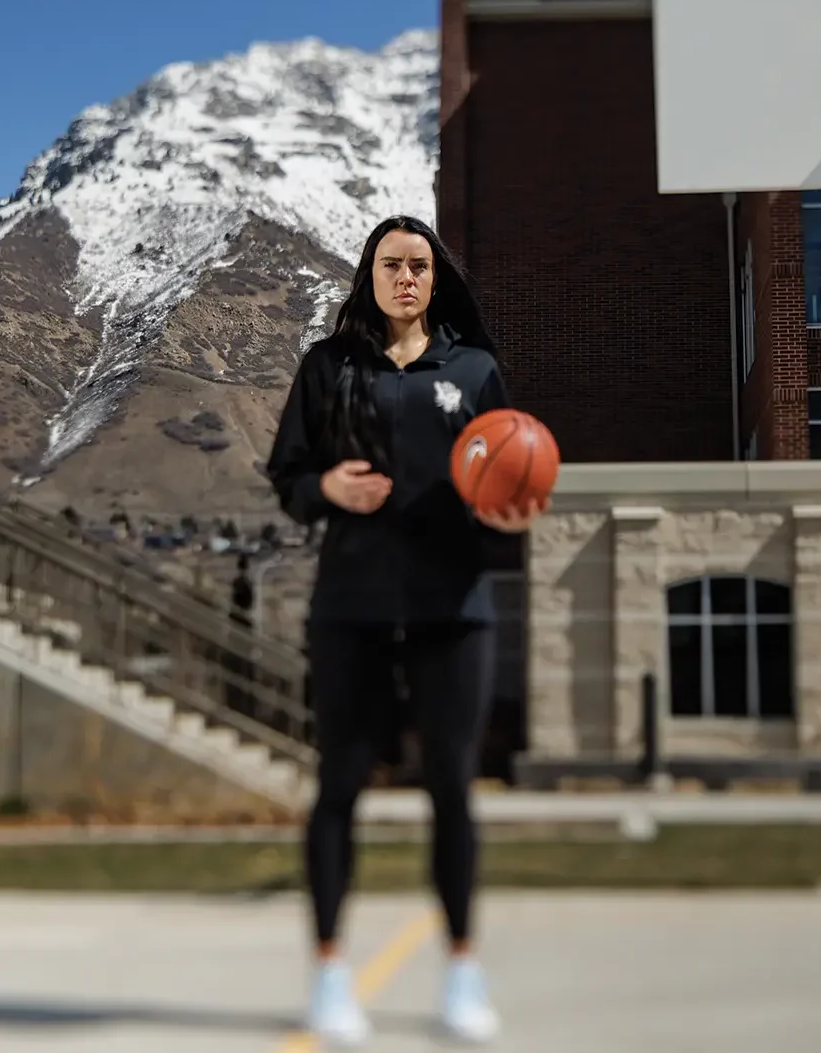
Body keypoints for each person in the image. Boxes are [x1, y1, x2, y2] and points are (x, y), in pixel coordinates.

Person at [266, 214, 544, 1046]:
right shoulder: (327, 367)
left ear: (435, 276)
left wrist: (514, 512)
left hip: (451, 609)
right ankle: (328, 972)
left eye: (420, 265)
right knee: (339, 786)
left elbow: (506, 486)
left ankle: (462, 968)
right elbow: (287, 474)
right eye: (392, 264)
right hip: (349, 606)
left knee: (451, 788)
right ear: (369, 274)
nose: (407, 278)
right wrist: (328, 491)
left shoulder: (475, 371)